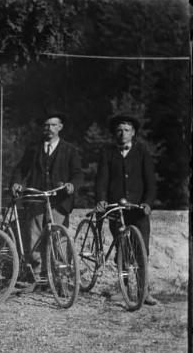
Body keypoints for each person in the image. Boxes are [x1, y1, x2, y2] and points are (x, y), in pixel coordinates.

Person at [11, 111, 83, 282]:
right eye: (46, 125)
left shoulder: (69, 150)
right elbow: (21, 169)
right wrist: (17, 182)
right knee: (34, 239)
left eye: (53, 125)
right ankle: (37, 278)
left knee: (59, 240)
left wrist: (72, 185)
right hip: (36, 199)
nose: (49, 128)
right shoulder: (34, 148)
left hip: (59, 201)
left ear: (60, 127)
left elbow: (78, 174)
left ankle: (61, 280)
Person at [95, 114, 158, 305]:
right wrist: (101, 200)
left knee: (141, 251)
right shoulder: (107, 153)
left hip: (138, 210)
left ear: (133, 133)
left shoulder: (142, 152)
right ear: (115, 133)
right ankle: (123, 289)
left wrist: (147, 202)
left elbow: (151, 182)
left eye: (127, 130)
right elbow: (101, 181)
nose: (123, 134)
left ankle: (143, 291)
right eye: (119, 130)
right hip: (116, 209)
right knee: (121, 251)